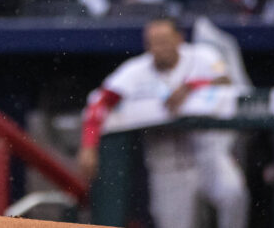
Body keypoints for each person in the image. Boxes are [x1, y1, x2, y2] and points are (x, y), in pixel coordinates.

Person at [78, 18, 247, 228]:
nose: (158, 48)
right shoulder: (135, 71)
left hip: (208, 155)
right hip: (168, 168)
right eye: (153, 43)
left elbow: (227, 80)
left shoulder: (203, 55)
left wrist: (191, 86)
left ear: (179, 39)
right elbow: (99, 102)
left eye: (164, 41)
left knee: (233, 194)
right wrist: (89, 145)